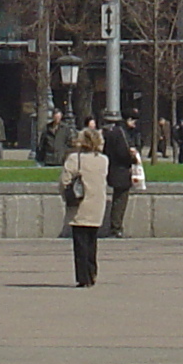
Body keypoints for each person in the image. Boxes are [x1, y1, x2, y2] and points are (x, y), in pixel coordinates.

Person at [60, 125, 107, 286]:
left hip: (80, 205)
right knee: (92, 241)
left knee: (80, 243)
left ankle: (83, 277)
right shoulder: (103, 160)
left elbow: (64, 181)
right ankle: (92, 272)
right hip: (97, 204)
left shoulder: (75, 159)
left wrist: (66, 197)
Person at [100, 119, 139, 238]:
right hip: (121, 171)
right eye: (133, 120)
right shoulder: (121, 133)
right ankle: (116, 228)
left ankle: (115, 227)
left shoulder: (112, 132)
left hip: (113, 169)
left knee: (118, 199)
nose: (134, 124)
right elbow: (123, 153)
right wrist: (133, 158)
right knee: (120, 200)